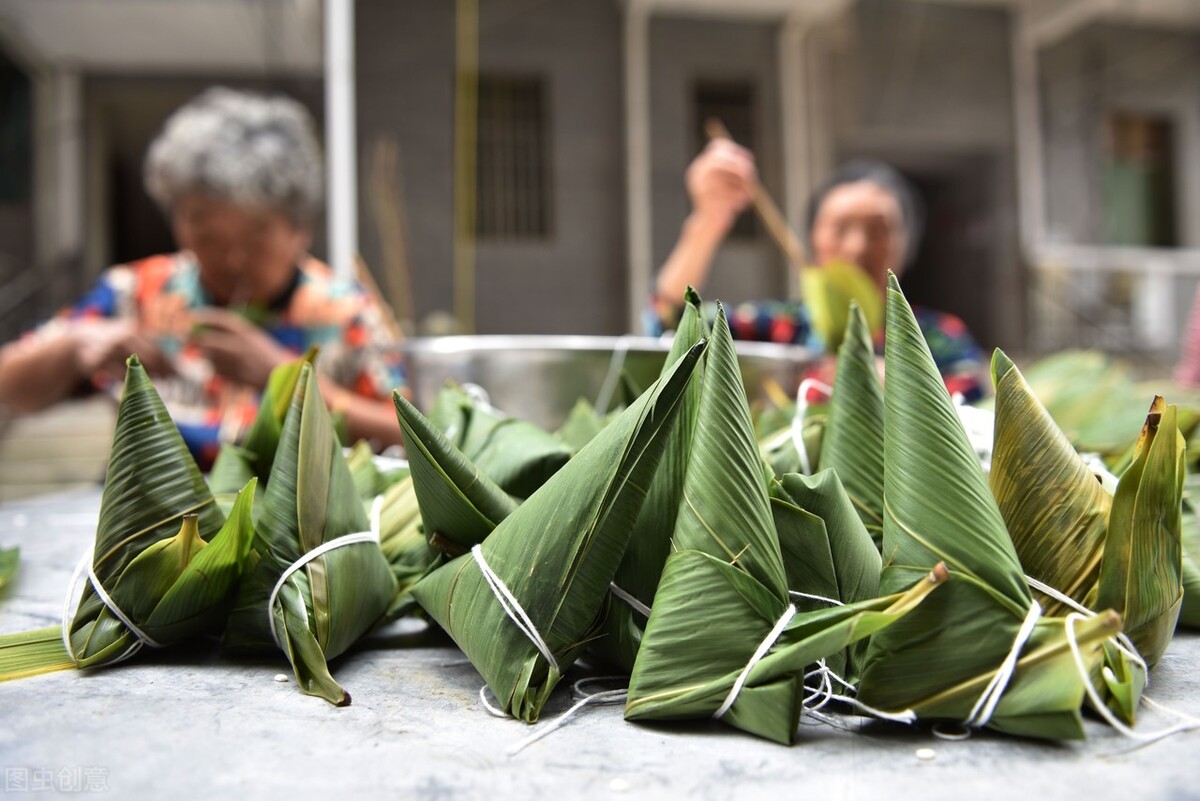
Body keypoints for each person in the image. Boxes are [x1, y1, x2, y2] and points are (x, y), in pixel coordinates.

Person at [0, 87, 405, 468]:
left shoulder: (343, 310)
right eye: (207, 236)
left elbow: (408, 435)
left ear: (301, 228)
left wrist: (282, 377)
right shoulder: (138, 292)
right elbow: (9, 388)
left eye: (254, 237)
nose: (231, 258)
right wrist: (75, 346)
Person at [649, 137, 983, 398]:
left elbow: (974, 403)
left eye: (879, 230)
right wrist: (708, 220)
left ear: (906, 244)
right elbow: (670, 326)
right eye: (840, 229)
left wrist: (898, 386)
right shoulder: (780, 328)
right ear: (813, 240)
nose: (857, 247)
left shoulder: (938, 338)